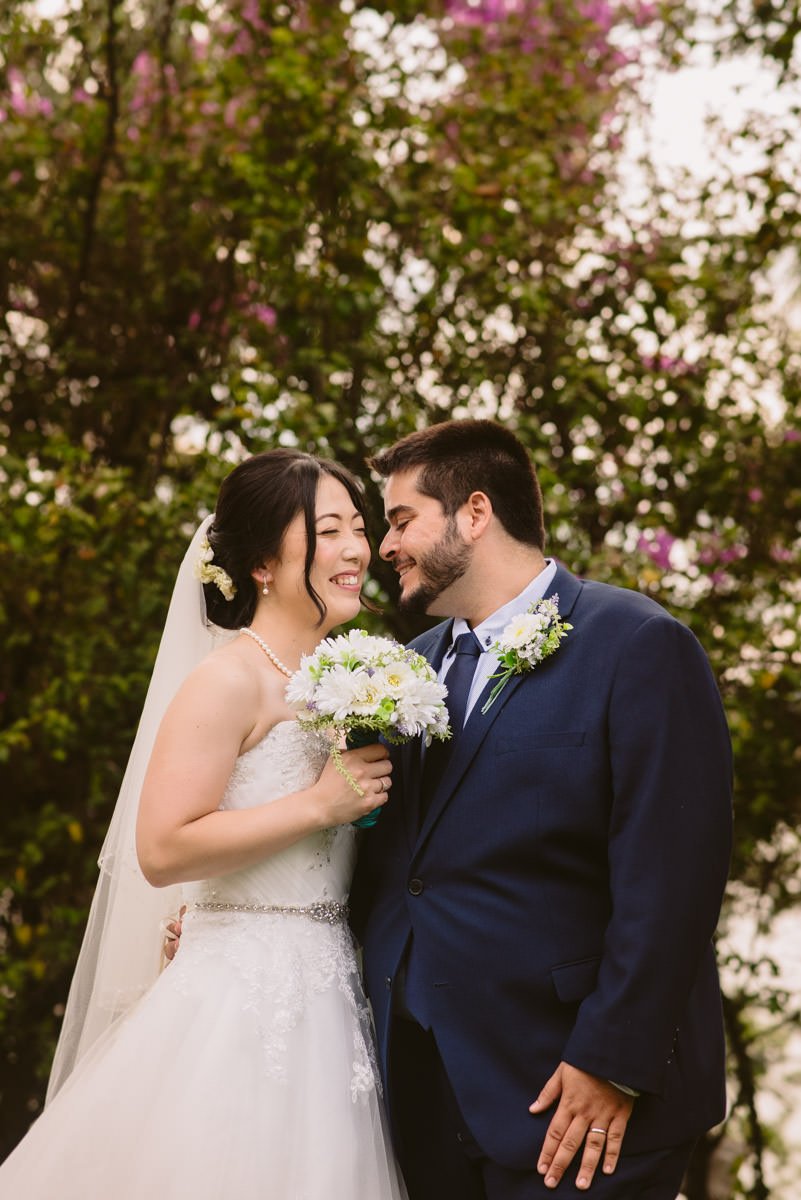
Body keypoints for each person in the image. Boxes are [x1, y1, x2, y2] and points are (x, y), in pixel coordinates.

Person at [0, 449, 408, 1200]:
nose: (357, 549)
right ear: (261, 564)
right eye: (329, 531)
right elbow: (161, 849)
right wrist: (318, 805)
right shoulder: (226, 680)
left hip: (331, 998)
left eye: (359, 527)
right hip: (235, 1004)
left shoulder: (354, 682)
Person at [350, 419, 733, 1200]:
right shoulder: (405, 673)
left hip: (578, 1100)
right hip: (424, 1098)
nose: (384, 546)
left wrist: (612, 1060)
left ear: (475, 513)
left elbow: (673, 877)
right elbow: (390, 865)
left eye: (400, 520)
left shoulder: (635, 643)